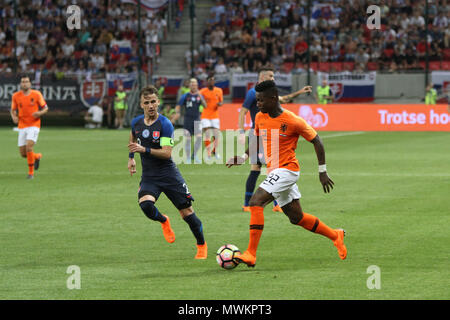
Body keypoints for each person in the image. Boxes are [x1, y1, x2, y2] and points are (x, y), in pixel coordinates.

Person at [226, 80, 347, 267]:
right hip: (274, 171)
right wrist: (243, 157)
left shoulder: (292, 120)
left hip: (288, 169)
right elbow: (256, 139)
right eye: (256, 100)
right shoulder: (259, 117)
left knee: (256, 202)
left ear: (273, 98)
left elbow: (317, 141)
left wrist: (322, 171)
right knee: (296, 217)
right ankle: (335, 235)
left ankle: (250, 253)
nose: (257, 104)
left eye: (261, 100)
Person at [127, 85, 207, 259]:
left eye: (153, 101)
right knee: (146, 205)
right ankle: (164, 220)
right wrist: (131, 157)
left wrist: (143, 150)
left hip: (168, 174)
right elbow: (133, 136)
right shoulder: (136, 123)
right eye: (146, 102)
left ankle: (201, 245)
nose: (150, 105)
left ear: (158, 102)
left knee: (187, 213)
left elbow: (166, 153)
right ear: (141, 104)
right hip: (149, 176)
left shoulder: (165, 124)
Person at [238, 67, 312, 213]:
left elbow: (283, 99)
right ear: (263, 77)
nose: (273, 78)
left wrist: (300, 92)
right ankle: (247, 203)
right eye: (271, 76)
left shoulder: (269, 94)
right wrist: (241, 131)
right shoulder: (253, 93)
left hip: (272, 134)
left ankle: (276, 204)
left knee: (274, 168)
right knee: (256, 168)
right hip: (258, 134)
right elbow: (243, 112)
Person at [10, 75, 49, 179]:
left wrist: (39, 113)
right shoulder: (16, 96)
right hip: (22, 125)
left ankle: (31, 173)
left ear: (30, 83)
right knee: (23, 154)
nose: (25, 83)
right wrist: (14, 117)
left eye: (26, 81)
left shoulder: (36, 94)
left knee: (29, 147)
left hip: (34, 125)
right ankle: (37, 156)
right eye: (23, 82)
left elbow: (45, 108)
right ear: (20, 84)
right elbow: (13, 110)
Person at [174, 78, 207, 164]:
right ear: (189, 86)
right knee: (188, 139)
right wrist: (177, 112)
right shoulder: (185, 95)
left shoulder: (200, 95)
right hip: (188, 119)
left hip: (197, 119)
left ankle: (194, 155)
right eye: (192, 84)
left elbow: (205, 106)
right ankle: (188, 157)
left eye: (195, 84)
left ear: (197, 86)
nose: (193, 86)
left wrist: (200, 96)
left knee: (199, 138)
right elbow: (178, 105)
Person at [199, 75, 223, 160]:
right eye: (210, 80)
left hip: (215, 115)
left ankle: (215, 151)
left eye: (213, 80)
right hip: (205, 115)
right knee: (208, 134)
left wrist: (220, 104)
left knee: (216, 135)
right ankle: (208, 153)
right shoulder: (202, 91)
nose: (211, 82)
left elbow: (221, 101)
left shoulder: (219, 90)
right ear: (207, 82)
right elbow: (200, 101)